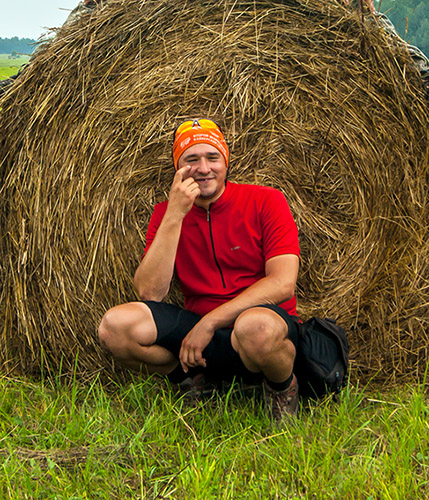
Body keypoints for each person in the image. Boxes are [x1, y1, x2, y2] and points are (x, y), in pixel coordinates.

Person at [98, 118, 301, 420]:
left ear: (226, 161)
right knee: (115, 327)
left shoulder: (266, 201)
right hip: (195, 326)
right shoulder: (165, 215)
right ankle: (191, 381)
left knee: (255, 329)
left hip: (258, 320)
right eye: (192, 160)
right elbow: (150, 292)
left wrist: (208, 324)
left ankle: (282, 388)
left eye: (212, 157)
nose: (204, 168)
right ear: (179, 168)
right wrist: (174, 215)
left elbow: (283, 283)